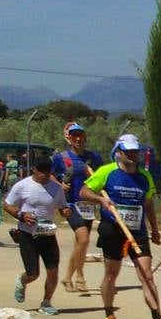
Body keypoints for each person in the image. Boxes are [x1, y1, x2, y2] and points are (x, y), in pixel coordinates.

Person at [79, 134, 161, 319]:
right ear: (119, 153)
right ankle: (109, 314)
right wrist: (100, 200)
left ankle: (158, 318)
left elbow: (148, 203)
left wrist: (155, 229)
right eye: (129, 152)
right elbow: (84, 192)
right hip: (113, 229)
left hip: (137, 231)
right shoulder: (106, 172)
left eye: (135, 151)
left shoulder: (144, 176)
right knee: (111, 274)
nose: (133, 155)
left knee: (147, 274)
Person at [4, 156, 66, 316]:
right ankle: (22, 281)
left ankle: (46, 302)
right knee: (33, 274)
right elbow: (7, 205)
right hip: (27, 234)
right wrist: (20, 215)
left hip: (47, 234)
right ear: (34, 169)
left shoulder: (56, 188)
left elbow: (62, 207)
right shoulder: (22, 186)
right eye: (42, 170)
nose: (45, 174)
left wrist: (66, 211)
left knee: (53, 270)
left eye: (48, 170)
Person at [53, 123, 102, 294]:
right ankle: (80, 276)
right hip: (70, 204)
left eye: (81, 135)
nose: (78, 139)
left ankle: (67, 277)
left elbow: (101, 176)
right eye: (74, 136)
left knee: (80, 243)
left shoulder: (93, 157)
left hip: (87, 205)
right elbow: (50, 175)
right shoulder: (62, 157)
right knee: (83, 239)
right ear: (69, 138)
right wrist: (59, 185)